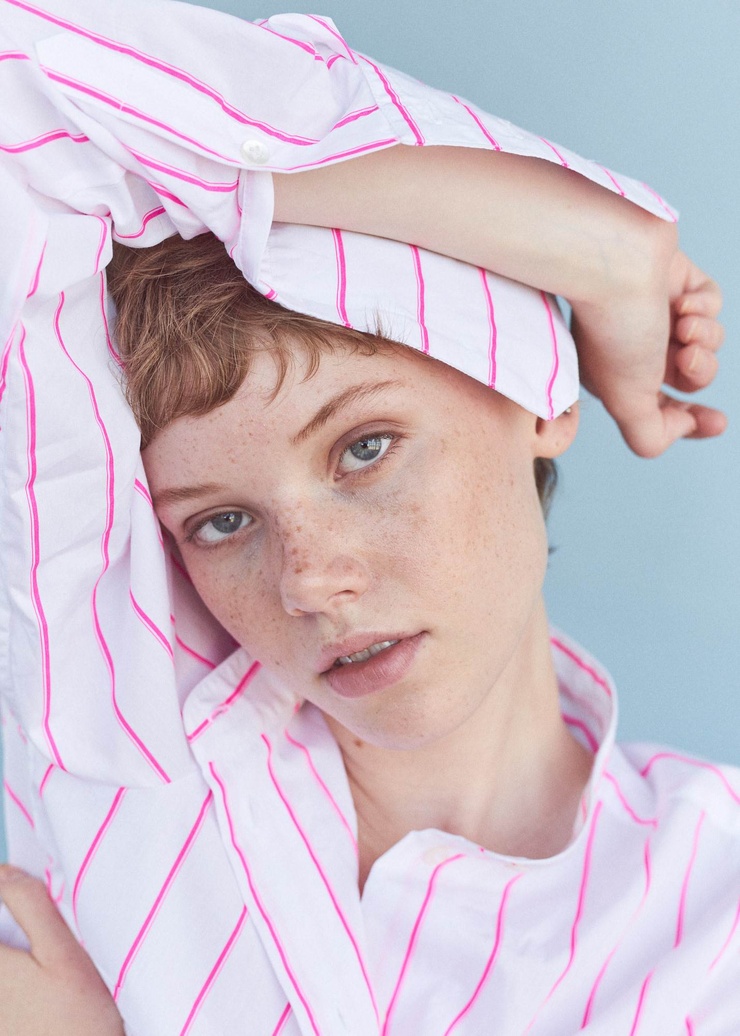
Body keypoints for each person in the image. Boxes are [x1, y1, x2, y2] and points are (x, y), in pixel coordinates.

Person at [0, 1, 733, 1033]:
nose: (307, 579)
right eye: (220, 522)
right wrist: (590, 245)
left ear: (539, 394)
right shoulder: (124, 728)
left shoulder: (717, 909)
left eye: (363, 449)